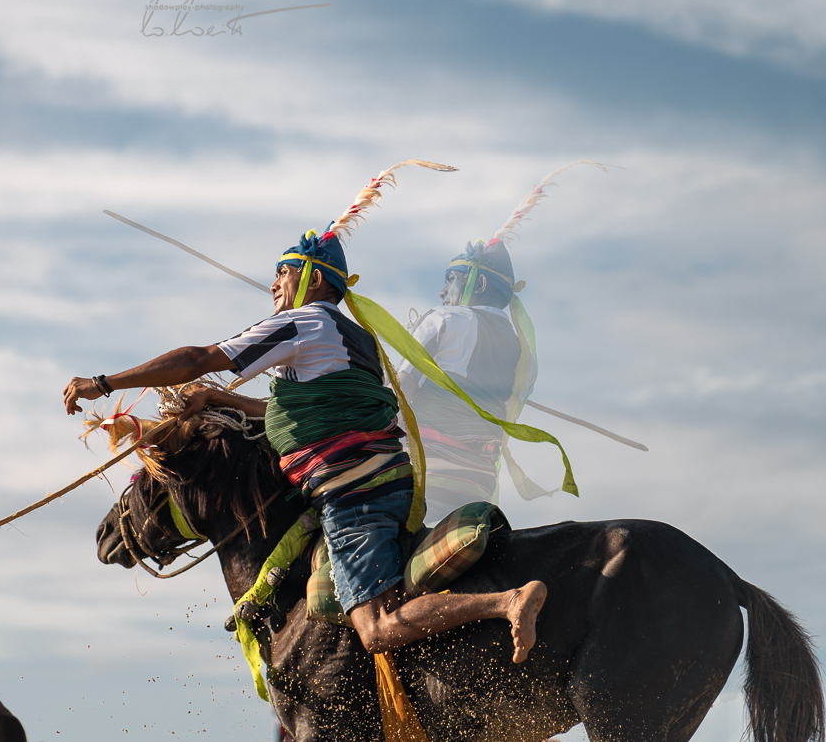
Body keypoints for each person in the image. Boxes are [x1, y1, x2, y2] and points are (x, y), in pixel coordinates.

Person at [64, 230, 547, 660]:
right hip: (404, 478)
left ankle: (505, 602)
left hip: (354, 495)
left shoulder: (303, 324)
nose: (273, 284)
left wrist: (102, 383)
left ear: (313, 281)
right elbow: (296, 412)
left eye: (283, 272)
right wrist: (217, 400)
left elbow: (199, 357)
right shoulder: (358, 341)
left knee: (374, 629)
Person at [398, 238, 537, 525]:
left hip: (423, 478)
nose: (442, 291)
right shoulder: (526, 358)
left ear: (480, 284)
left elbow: (397, 396)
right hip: (480, 487)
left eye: (450, 280)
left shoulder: (443, 319)